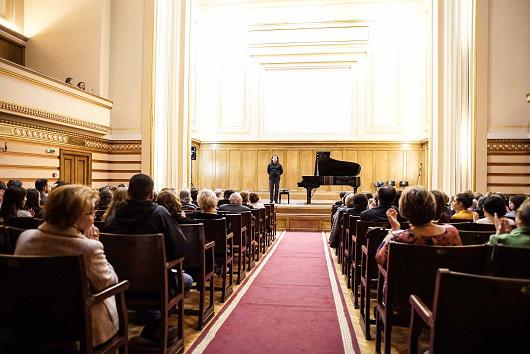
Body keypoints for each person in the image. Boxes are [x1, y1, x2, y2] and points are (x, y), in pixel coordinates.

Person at [15, 185, 119, 346]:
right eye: (90, 213)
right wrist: (93, 242)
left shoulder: (25, 237)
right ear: (74, 217)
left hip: (32, 322)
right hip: (80, 326)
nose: (93, 218)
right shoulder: (89, 248)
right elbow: (109, 282)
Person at [102, 174, 191, 343]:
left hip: (118, 283)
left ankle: (149, 316)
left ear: (129, 192)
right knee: (186, 280)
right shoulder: (160, 213)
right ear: (151, 194)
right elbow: (180, 249)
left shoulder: (113, 216)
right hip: (156, 283)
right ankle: (155, 325)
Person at [375, 187, 462, 266]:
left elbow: (380, 259)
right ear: (433, 206)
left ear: (403, 210)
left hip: (407, 283)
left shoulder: (398, 238)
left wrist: (394, 230)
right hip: (443, 282)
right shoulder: (452, 232)